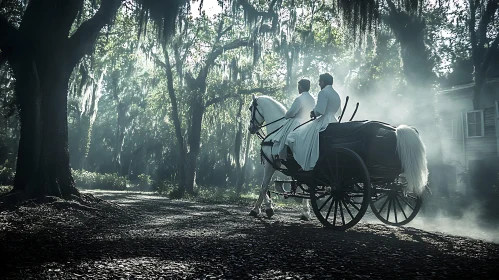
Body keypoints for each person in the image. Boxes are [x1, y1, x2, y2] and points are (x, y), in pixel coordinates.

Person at [285, 73, 341, 171]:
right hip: (333, 121)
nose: (319, 83)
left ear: (323, 81)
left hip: (323, 122)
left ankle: (304, 162)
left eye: (320, 81)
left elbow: (320, 110)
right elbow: (338, 112)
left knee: (294, 135)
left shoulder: (323, 92)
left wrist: (313, 113)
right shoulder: (336, 94)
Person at [268, 79, 315, 161]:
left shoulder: (299, 99)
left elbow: (290, 113)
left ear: (301, 87)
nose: (298, 88)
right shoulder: (312, 99)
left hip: (298, 122)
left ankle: (283, 155)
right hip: (308, 123)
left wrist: (287, 116)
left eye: (298, 86)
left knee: (282, 136)